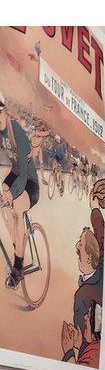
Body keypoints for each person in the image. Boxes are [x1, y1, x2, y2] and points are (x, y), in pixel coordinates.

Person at [0, 94, 40, 290]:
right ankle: (18, 243)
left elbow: (24, 175)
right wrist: (6, 193)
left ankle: (18, 267)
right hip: (15, 176)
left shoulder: (17, 133)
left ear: (6, 112)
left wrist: (11, 195)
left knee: (16, 207)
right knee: (3, 199)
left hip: (29, 182)